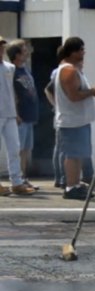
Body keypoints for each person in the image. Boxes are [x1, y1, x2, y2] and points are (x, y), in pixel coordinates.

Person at [56, 37, 95, 200]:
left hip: (80, 120)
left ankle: (76, 183)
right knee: (72, 155)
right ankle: (70, 186)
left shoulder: (75, 69)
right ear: (72, 52)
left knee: (80, 153)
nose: (83, 52)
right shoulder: (68, 70)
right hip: (71, 121)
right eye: (81, 49)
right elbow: (73, 96)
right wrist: (91, 92)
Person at [0, 38, 34, 197]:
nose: (1, 49)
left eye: (2, 46)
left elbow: (12, 91)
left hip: (9, 113)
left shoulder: (9, 67)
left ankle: (17, 182)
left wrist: (15, 111)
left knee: (15, 148)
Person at [8, 40, 38, 191]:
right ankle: (17, 179)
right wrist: (16, 113)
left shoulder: (25, 70)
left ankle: (24, 178)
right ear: (17, 54)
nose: (27, 53)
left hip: (30, 115)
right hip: (20, 117)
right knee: (19, 150)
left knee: (26, 149)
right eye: (24, 50)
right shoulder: (12, 71)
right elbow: (10, 93)